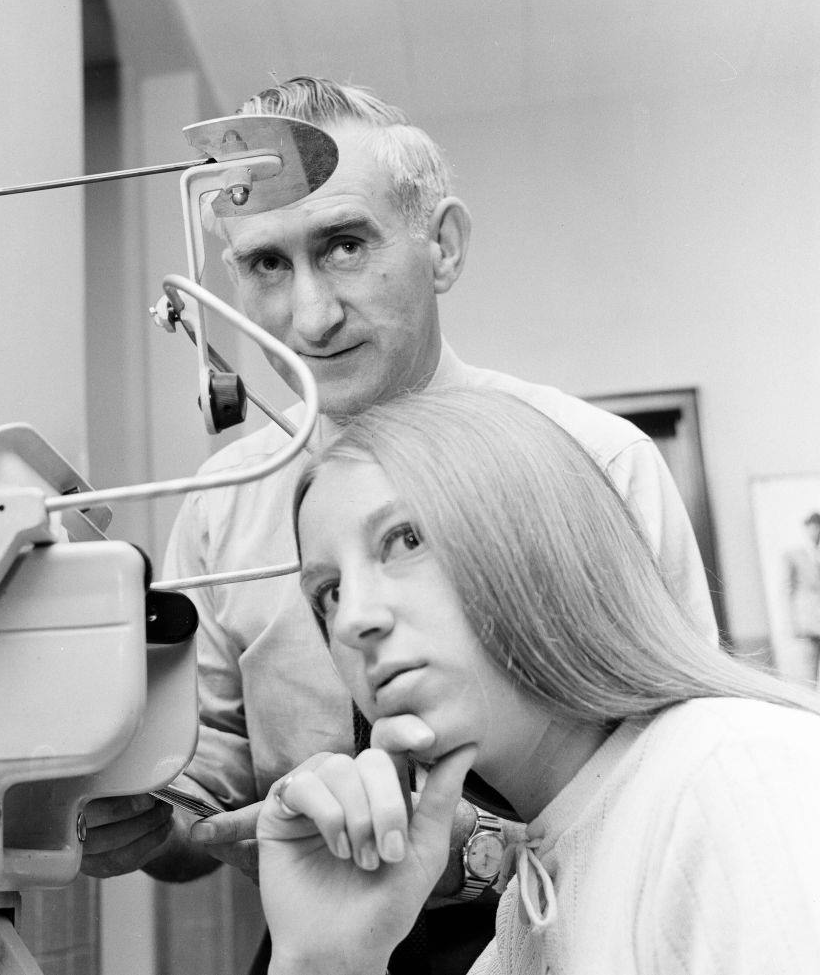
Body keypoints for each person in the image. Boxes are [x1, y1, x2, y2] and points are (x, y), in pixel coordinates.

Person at [80, 76, 719, 971]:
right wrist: (146, 819)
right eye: (268, 263)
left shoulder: (593, 464)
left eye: (344, 244)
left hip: (574, 932)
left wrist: (484, 851)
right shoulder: (225, 504)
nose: (310, 315)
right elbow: (210, 779)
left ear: (442, 246)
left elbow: (686, 770)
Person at [256, 386, 820, 975]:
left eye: (406, 540)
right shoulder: (528, 909)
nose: (352, 619)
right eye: (330, 591)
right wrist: (324, 961)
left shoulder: (734, 778)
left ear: (538, 538)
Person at [783, 511, 820, 685]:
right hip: (808, 624)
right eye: (812, 529)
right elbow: (788, 590)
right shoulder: (794, 555)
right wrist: (794, 623)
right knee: (808, 673)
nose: (815, 533)